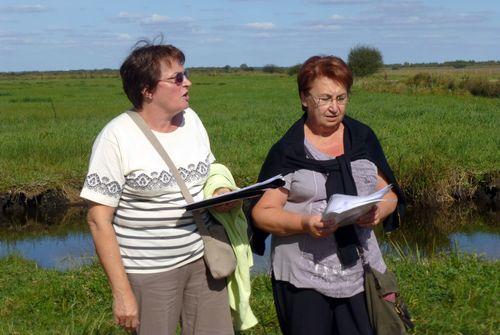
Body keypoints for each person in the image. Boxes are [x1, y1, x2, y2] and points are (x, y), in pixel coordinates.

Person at [80, 41, 235, 334]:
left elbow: (211, 172)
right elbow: (98, 220)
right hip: (149, 272)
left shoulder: (192, 121)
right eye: (177, 78)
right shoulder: (116, 137)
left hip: (202, 258)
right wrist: (122, 293)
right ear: (147, 90)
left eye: (185, 73)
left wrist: (220, 193)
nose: (187, 82)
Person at [251, 55, 405, 335]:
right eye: (324, 98)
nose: (334, 107)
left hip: (361, 273)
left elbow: (390, 193)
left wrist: (378, 211)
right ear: (304, 98)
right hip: (303, 278)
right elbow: (262, 213)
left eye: (341, 98)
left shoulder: (362, 138)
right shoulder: (289, 150)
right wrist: (305, 224)